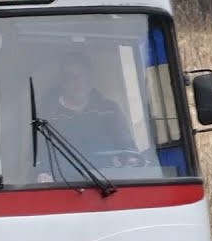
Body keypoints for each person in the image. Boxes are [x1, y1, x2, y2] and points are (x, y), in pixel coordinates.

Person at [34, 51, 138, 182]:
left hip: (108, 184)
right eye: (70, 77)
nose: (77, 82)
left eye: (82, 76)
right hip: (64, 184)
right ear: (62, 81)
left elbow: (128, 147)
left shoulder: (110, 110)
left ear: (90, 78)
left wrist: (131, 162)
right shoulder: (47, 114)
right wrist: (43, 173)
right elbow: (40, 152)